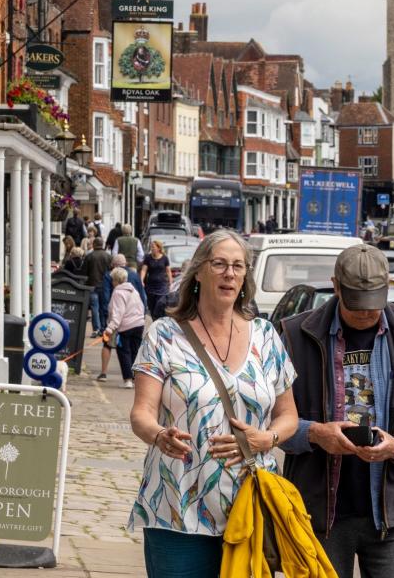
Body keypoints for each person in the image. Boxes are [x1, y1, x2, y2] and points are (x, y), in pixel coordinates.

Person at [127, 229, 298, 576]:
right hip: (176, 503)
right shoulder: (164, 334)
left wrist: (268, 439)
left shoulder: (266, 336)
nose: (229, 273)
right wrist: (159, 435)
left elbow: (288, 415)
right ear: (199, 271)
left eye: (238, 266)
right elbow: (141, 413)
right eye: (219, 264)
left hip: (248, 505)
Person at [279, 244, 394, 578]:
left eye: (373, 304)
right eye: (356, 303)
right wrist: (315, 434)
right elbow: (274, 420)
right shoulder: (296, 335)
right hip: (316, 511)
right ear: (336, 286)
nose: (366, 313)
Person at [99, 254, 147, 381]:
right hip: (138, 323)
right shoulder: (134, 284)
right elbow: (142, 299)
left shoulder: (117, 291)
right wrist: (141, 317)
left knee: (121, 350)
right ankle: (137, 378)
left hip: (123, 324)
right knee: (135, 351)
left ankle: (124, 378)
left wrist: (108, 327)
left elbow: (114, 309)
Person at [84, 238, 114, 340]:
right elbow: (112, 272)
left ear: (94, 244)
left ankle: (96, 329)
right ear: (102, 244)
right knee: (104, 307)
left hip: (92, 285)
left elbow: (84, 272)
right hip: (105, 285)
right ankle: (103, 328)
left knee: (94, 308)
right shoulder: (109, 257)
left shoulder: (89, 256)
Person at [139, 240, 172, 319]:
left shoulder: (164, 258)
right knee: (151, 306)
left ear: (158, 248)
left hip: (162, 286)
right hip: (151, 287)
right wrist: (141, 280)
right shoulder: (148, 258)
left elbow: (168, 271)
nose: (152, 248)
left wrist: (170, 281)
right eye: (151, 247)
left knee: (160, 304)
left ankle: (159, 319)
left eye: (153, 247)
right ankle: (154, 320)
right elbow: (144, 270)